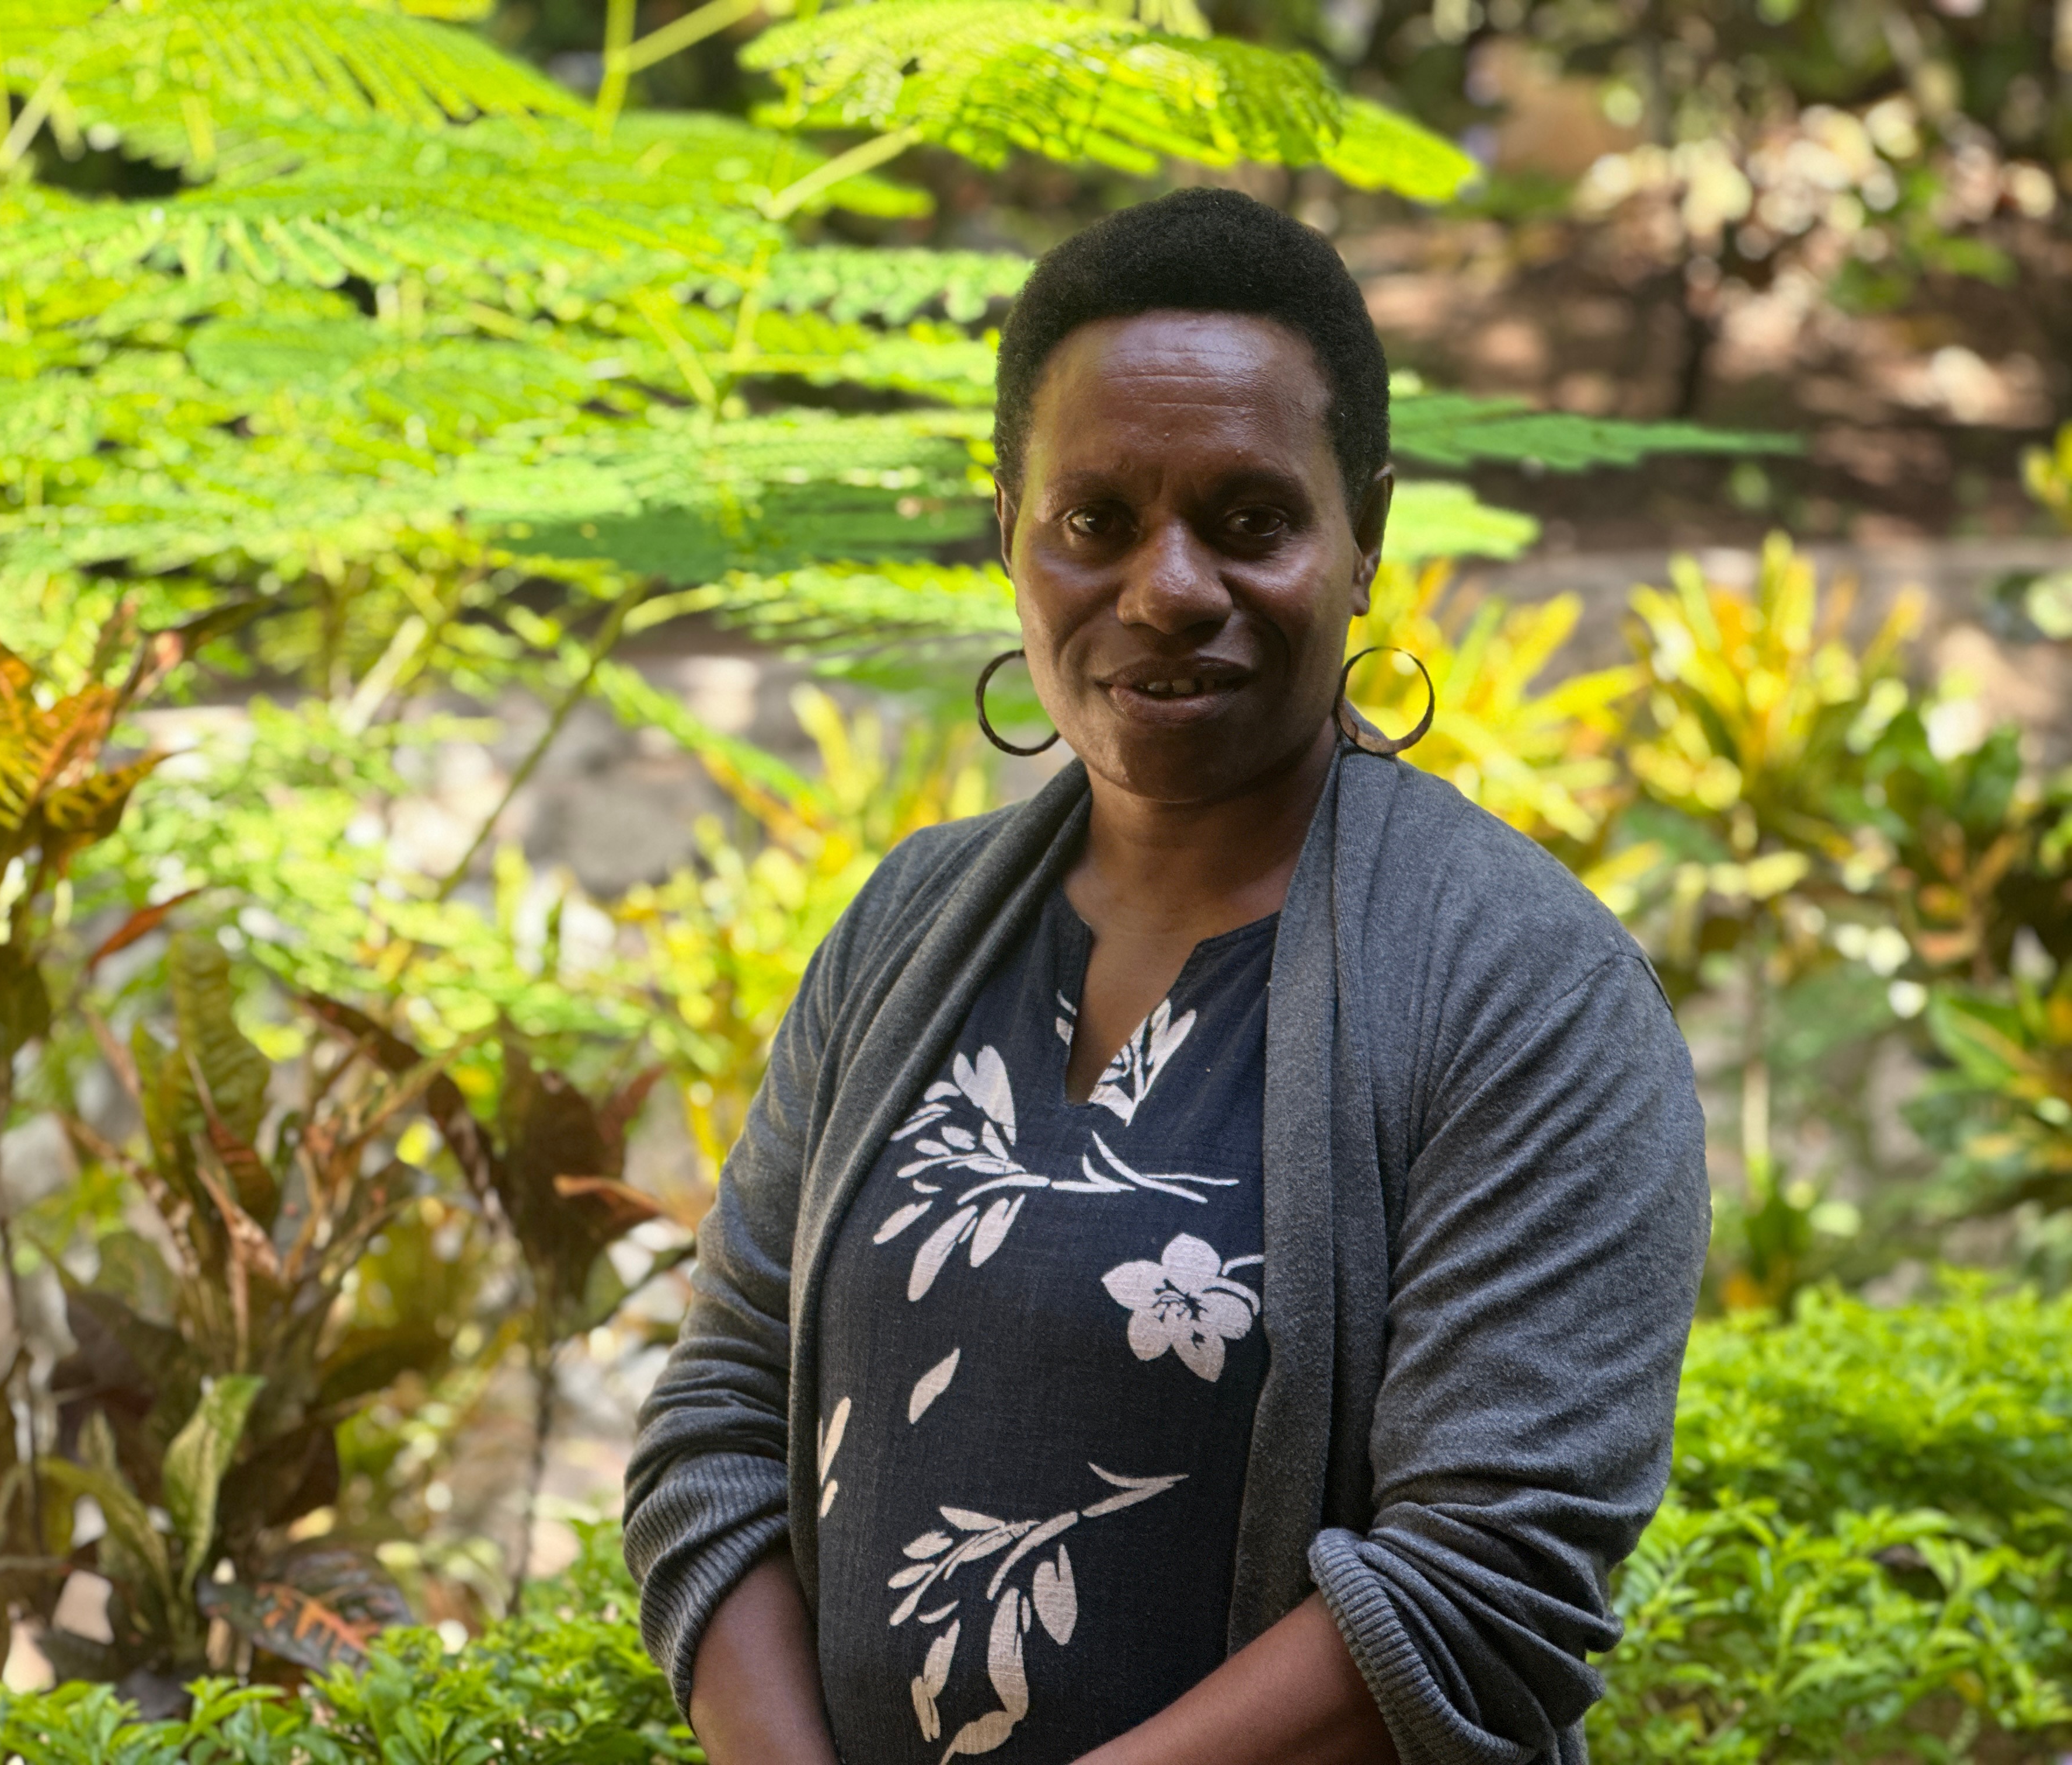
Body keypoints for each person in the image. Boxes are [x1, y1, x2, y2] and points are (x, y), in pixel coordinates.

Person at [623, 186, 1709, 1765]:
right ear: (1009, 529)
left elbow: (1486, 1585)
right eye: (1095, 522)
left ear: (1366, 537)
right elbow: (722, 1419)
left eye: (1251, 520)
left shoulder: (1527, 990)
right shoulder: (909, 927)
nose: (1168, 589)